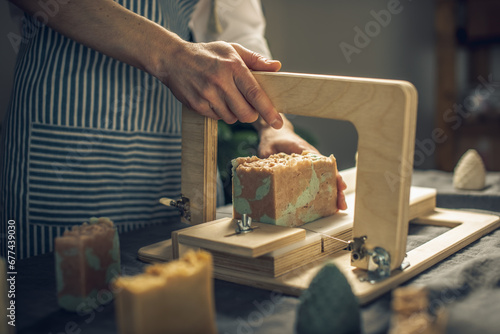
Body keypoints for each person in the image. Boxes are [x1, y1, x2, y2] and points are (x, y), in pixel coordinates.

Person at [0, 0, 346, 259]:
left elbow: (237, 32)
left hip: (173, 135)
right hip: (66, 130)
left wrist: (274, 126)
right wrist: (170, 55)